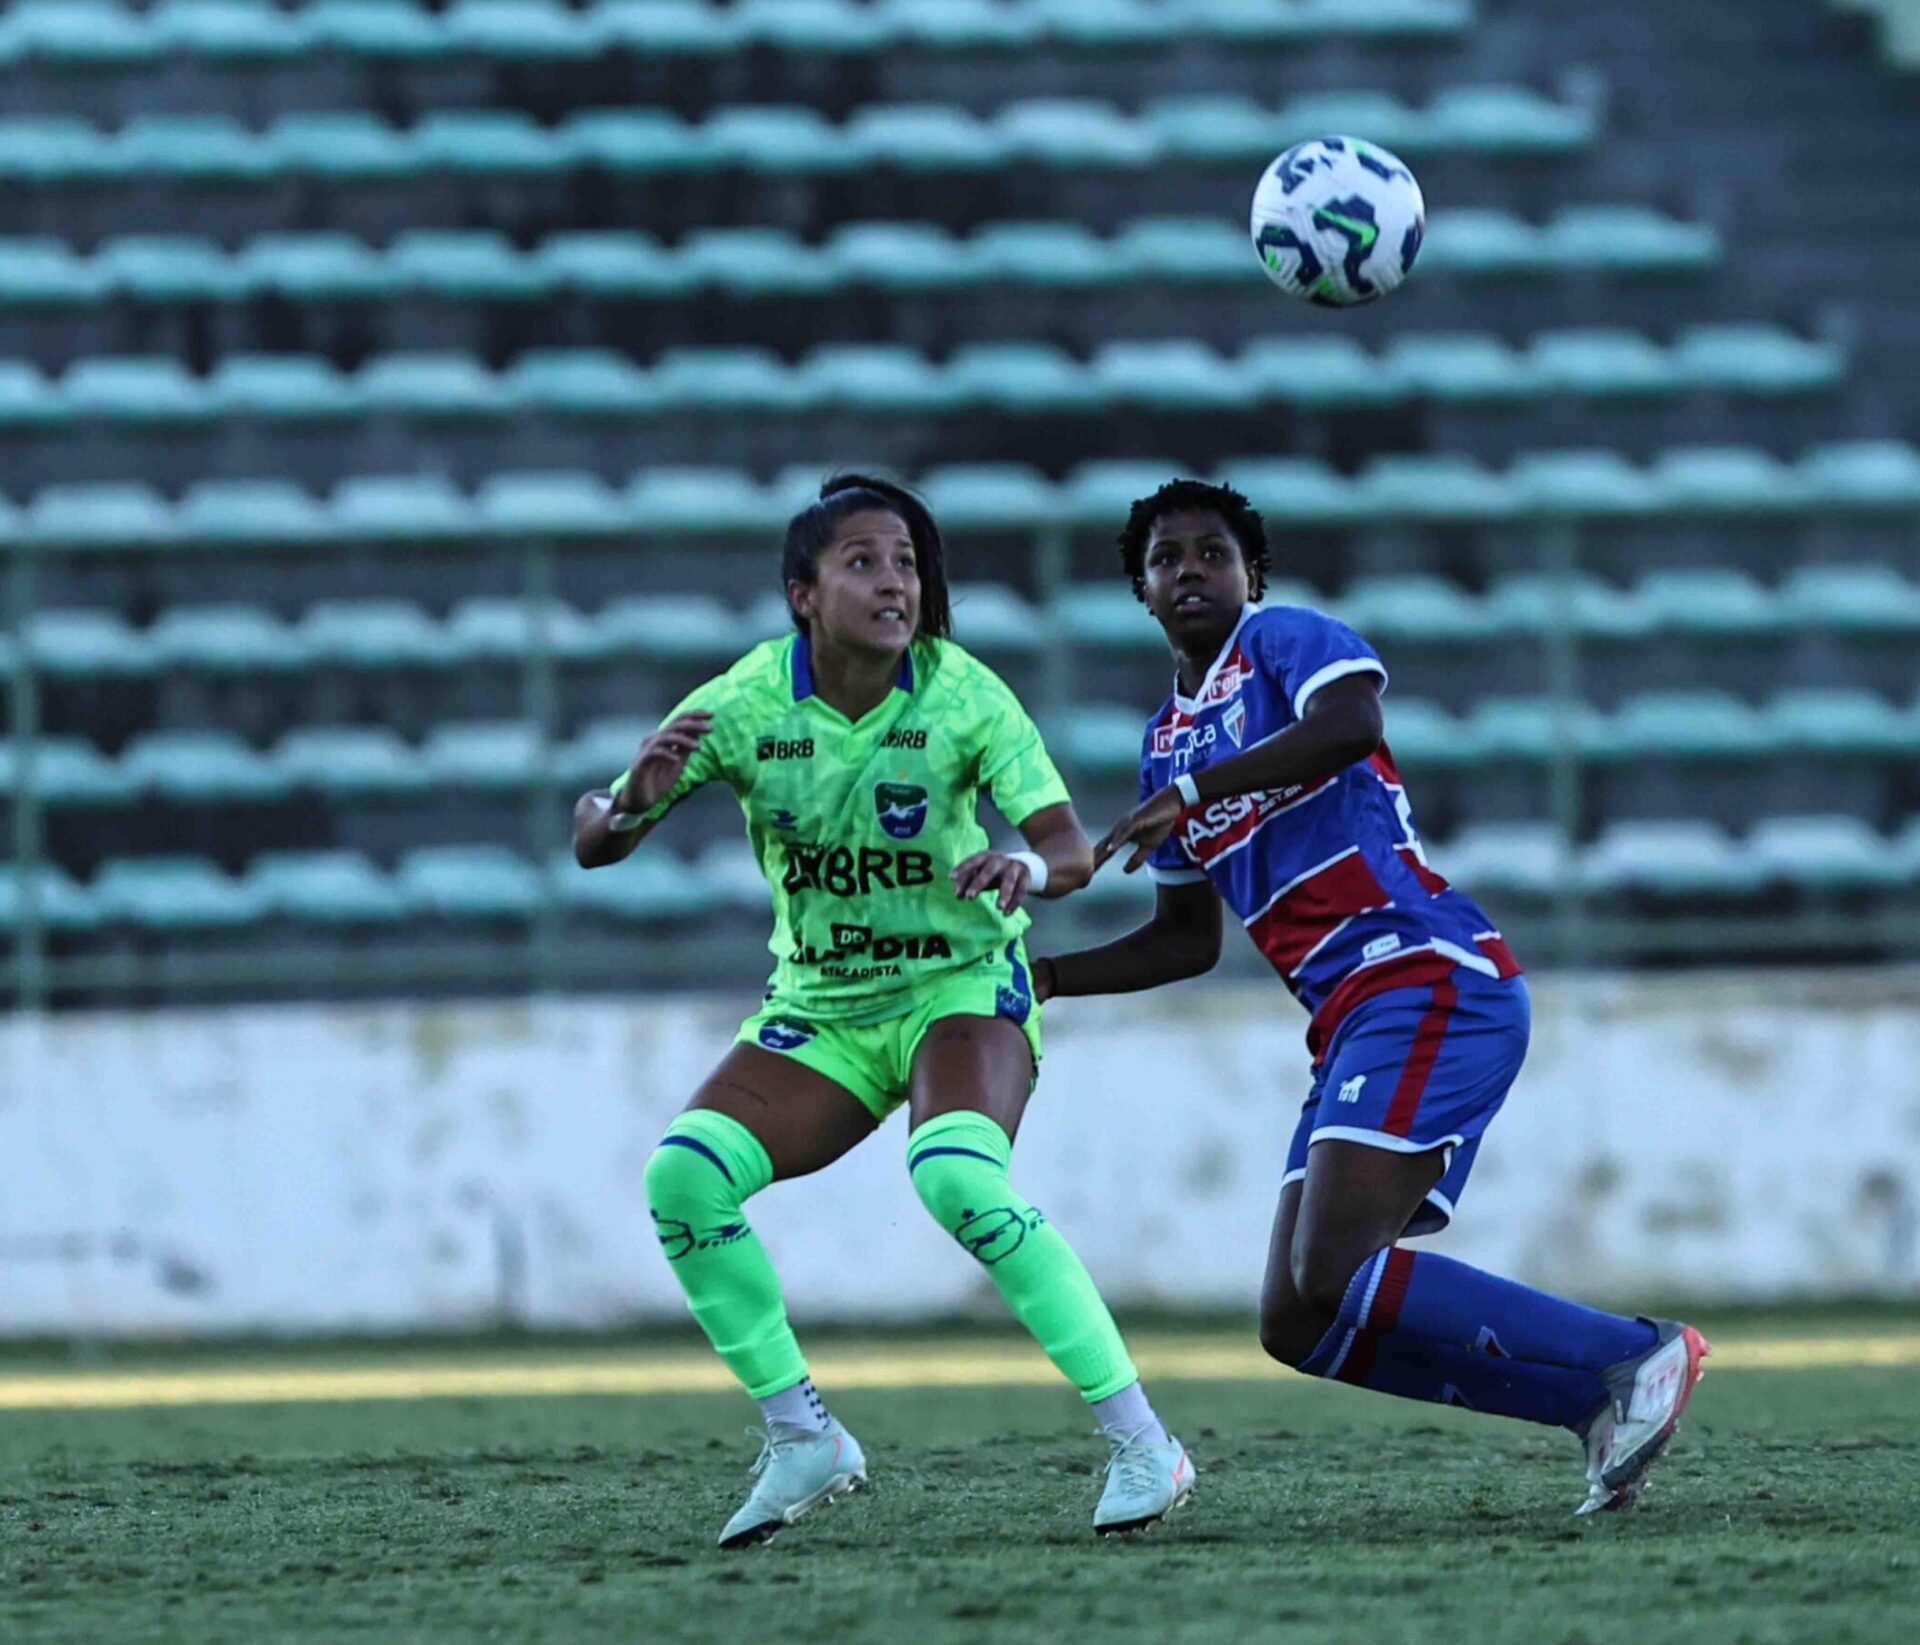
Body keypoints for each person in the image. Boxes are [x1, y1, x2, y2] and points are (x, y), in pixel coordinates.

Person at [1032, 477, 1708, 1516]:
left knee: (1335, 1261)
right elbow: (1183, 939)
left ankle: (1636, 1353)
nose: (1192, 571)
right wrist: (1041, 979)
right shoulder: (1164, 743)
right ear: (1140, 590)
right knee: (1296, 1318)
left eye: (1215, 552)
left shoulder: (1286, 644)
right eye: (1167, 559)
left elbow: (1350, 724)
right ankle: (1594, 1401)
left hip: (1424, 970)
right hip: (1350, 1014)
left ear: (1251, 575)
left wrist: (1199, 793)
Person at [577, 474, 1193, 1548]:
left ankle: (1145, 1440)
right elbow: (596, 839)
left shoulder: (962, 694)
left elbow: (1067, 849)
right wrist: (625, 805)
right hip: (821, 1009)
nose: (894, 581)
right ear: (801, 593)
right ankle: (801, 1434)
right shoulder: (742, 704)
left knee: (955, 1176)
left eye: (906, 562)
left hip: (960, 987)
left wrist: (1029, 875)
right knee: (682, 1176)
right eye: (863, 561)